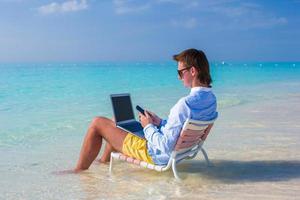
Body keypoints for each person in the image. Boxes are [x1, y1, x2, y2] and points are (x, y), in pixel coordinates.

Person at [74, 48, 218, 172]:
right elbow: (181, 127)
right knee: (116, 121)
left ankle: (79, 171)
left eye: (180, 72)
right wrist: (159, 122)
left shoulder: (184, 104)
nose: (178, 77)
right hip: (181, 150)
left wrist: (148, 126)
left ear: (192, 71)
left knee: (98, 122)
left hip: (154, 153)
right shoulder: (211, 99)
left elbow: (166, 146)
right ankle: (104, 163)